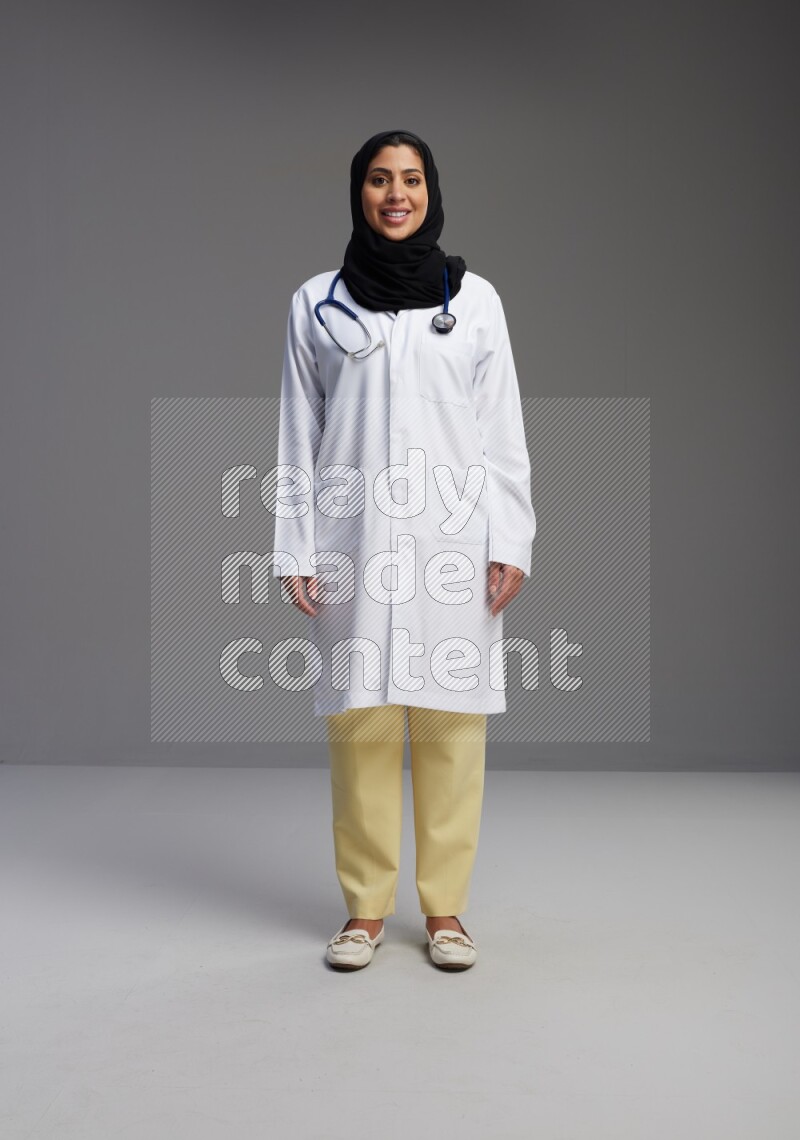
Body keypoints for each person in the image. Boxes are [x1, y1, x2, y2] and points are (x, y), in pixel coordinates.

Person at [272, 129, 536, 971]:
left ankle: (447, 913)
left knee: (453, 728)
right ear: (358, 192)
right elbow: (295, 432)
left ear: (431, 191)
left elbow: (503, 433)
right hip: (355, 540)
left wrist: (512, 537)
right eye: (380, 180)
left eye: (411, 179)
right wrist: (294, 548)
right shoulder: (317, 303)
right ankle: (364, 912)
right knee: (363, 727)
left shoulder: (477, 301)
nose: (396, 194)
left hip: (456, 541)